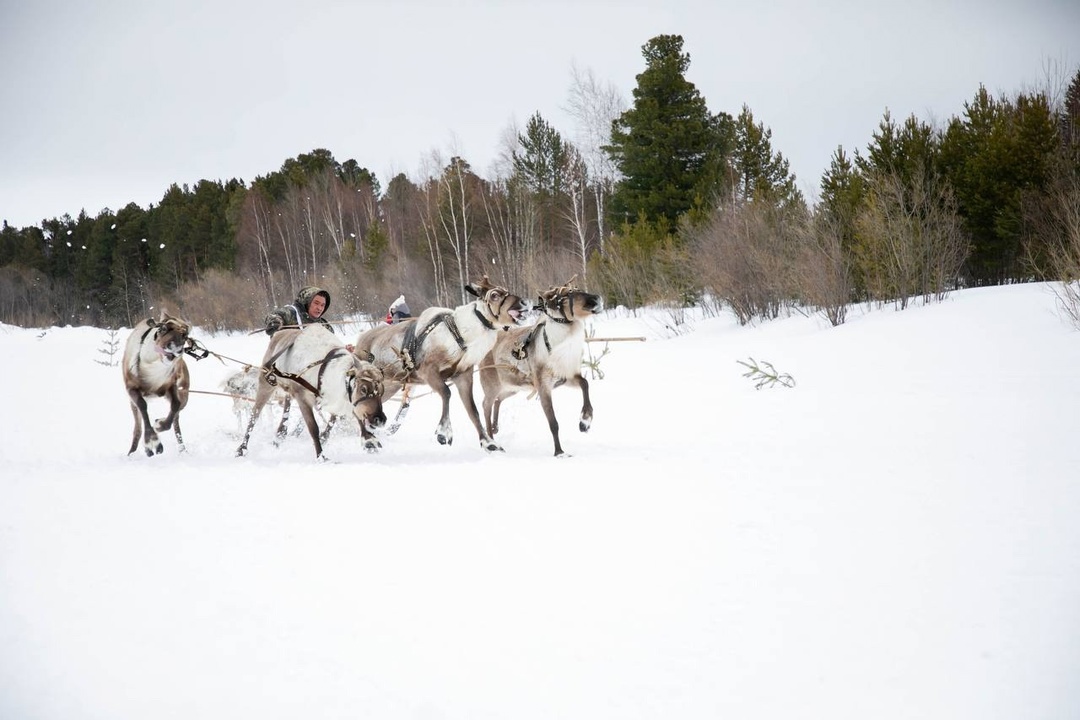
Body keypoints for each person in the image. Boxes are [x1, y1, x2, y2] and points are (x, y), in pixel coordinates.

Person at [265, 286, 335, 336]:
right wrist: (275, 321)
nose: (319, 308)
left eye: (322, 305)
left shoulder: (324, 326)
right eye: (316, 303)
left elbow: (332, 347)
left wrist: (343, 349)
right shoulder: (291, 313)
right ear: (307, 302)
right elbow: (275, 315)